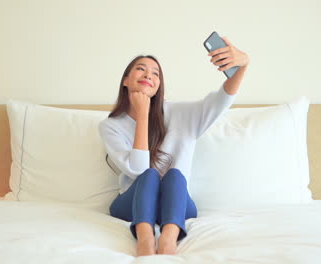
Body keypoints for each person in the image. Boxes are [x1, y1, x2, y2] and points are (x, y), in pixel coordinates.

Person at [99, 36, 249, 256]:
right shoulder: (110, 126)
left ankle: (169, 238)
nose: (149, 75)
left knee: (176, 176)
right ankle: (145, 237)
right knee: (149, 175)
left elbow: (222, 99)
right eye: (141, 69)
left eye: (155, 73)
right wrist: (142, 116)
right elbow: (139, 171)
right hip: (132, 205)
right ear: (126, 80)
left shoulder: (181, 114)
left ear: (159, 84)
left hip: (176, 205)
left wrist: (243, 66)